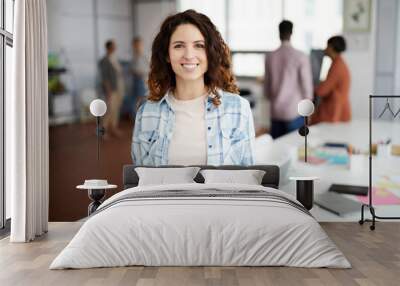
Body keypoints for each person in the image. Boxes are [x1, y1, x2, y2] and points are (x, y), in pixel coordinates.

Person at [131, 9, 255, 166]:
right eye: (178, 46)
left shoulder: (238, 108)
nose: (189, 55)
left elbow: (248, 181)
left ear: (210, 52)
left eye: (199, 45)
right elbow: (140, 182)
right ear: (167, 55)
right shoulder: (147, 113)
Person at [264, 20, 313, 139]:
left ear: (279, 33)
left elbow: (267, 88)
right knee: (294, 149)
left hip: (276, 112)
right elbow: (307, 87)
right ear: (291, 33)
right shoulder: (301, 56)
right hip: (295, 112)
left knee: (276, 151)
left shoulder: (270, 56)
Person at [311, 36, 351, 124]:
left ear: (331, 47)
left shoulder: (337, 66)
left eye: (327, 46)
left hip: (334, 111)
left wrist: (310, 86)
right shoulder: (339, 62)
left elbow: (322, 90)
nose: (325, 49)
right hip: (339, 108)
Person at [99, 40, 125, 137]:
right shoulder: (104, 60)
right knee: (109, 109)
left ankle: (113, 128)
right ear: (109, 47)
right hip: (111, 89)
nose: (115, 47)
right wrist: (108, 90)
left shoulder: (114, 58)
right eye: (114, 46)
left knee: (116, 109)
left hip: (119, 87)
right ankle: (102, 132)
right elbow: (104, 78)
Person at [131, 36, 149, 117]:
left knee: (143, 99)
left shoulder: (145, 56)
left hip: (143, 80)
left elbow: (150, 68)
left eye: (138, 44)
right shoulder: (133, 57)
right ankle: (137, 117)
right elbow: (131, 70)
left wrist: (142, 73)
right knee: (136, 100)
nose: (136, 46)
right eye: (135, 45)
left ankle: (142, 117)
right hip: (136, 80)